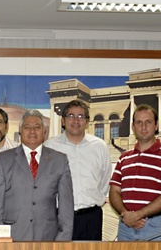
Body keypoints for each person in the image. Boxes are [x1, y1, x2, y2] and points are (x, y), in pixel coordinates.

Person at [0, 109, 73, 241]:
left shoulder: (60, 160)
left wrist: (61, 242)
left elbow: (66, 208)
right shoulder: (2, 160)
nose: (32, 131)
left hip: (48, 239)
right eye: (27, 127)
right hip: (12, 239)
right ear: (20, 130)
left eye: (37, 127)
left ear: (44, 131)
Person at [108, 104, 161, 241]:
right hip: (126, 228)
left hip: (155, 229)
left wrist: (137, 216)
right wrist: (126, 214)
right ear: (133, 127)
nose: (143, 127)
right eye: (139, 122)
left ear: (157, 125)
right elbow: (114, 191)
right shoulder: (124, 158)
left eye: (148, 122)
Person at [46, 99, 112, 240]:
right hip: (59, 217)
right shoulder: (50, 147)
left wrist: (97, 199)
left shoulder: (99, 146)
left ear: (87, 122)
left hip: (91, 218)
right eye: (71, 116)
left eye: (81, 116)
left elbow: (105, 179)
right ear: (63, 121)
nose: (76, 120)